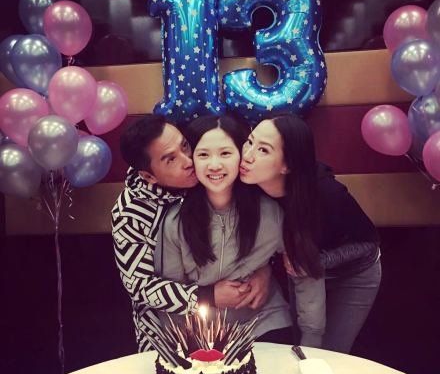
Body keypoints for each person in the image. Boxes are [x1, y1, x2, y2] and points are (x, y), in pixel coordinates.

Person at [154, 114, 325, 344]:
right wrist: (186, 344)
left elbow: (304, 271)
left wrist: (311, 337)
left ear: (240, 156)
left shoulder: (271, 213)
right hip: (202, 333)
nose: (215, 165)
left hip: (263, 322)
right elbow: (169, 294)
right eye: (203, 155)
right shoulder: (175, 222)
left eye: (225, 153)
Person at [111, 114, 271, 352]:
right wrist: (207, 297)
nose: (188, 160)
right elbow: (140, 286)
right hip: (164, 333)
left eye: (185, 146)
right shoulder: (131, 214)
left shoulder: (208, 175)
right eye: (170, 159)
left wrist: (264, 270)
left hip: (237, 321)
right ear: (148, 176)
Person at [240, 113, 381, 353]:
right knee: (301, 349)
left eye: (263, 150)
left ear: (287, 165)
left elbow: (369, 244)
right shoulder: (249, 189)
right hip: (303, 274)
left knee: (330, 354)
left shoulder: (327, 194)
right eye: (250, 141)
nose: (248, 155)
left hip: (353, 275)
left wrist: (318, 261)